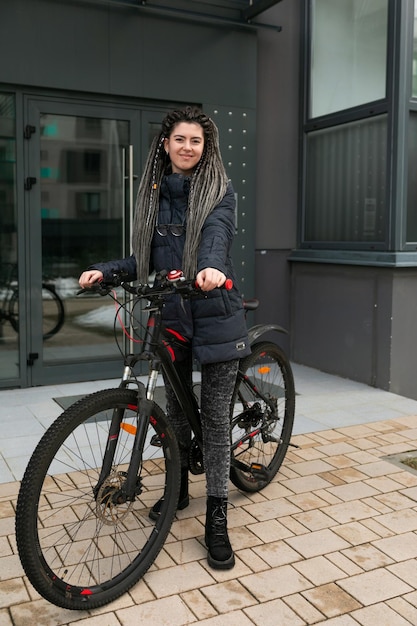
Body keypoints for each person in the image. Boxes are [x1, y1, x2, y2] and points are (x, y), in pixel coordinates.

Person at [79, 106, 250, 570]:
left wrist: (211, 266)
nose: (188, 148)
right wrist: (107, 271)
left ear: (205, 147)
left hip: (216, 313)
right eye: (180, 140)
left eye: (196, 141)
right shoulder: (152, 197)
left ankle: (217, 515)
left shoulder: (220, 191)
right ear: (165, 144)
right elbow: (144, 258)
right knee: (175, 416)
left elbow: (217, 234)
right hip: (173, 317)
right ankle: (177, 492)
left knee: (213, 422)